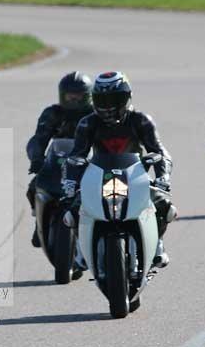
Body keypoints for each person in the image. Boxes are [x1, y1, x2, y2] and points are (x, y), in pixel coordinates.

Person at [63, 72, 175, 268]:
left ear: (127, 97)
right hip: (98, 177)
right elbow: (76, 155)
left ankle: (157, 244)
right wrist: (71, 181)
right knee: (72, 212)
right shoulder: (87, 123)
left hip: (136, 178)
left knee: (166, 206)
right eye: (103, 100)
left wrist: (162, 176)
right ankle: (81, 249)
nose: (108, 106)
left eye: (114, 99)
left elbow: (159, 151)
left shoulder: (141, 120)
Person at [26, 71, 93, 247]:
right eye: (70, 96)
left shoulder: (95, 114)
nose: (73, 100)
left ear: (87, 96)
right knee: (34, 187)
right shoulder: (52, 113)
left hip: (90, 163)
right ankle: (39, 220)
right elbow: (39, 139)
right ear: (62, 95)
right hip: (60, 160)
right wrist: (36, 159)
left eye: (78, 96)